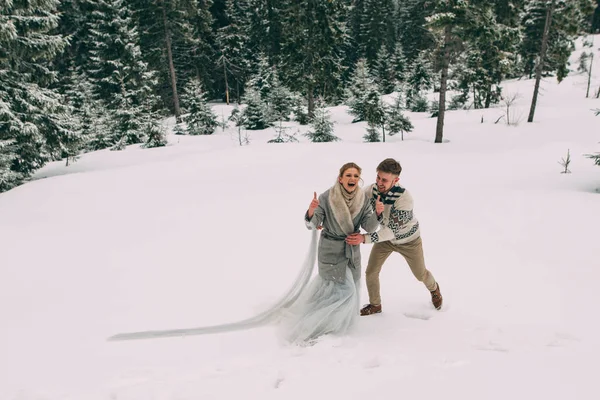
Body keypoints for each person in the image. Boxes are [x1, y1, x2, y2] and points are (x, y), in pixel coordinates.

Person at [280, 162, 380, 344]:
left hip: (352, 251)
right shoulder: (327, 197)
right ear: (340, 178)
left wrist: (378, 214)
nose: (352, 179)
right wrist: (311, 211)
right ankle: (317, 326)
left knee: (339, 290)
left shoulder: (363, 199)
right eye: (348, 175)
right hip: (331, 250)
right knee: (345, 290)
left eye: (356, 176)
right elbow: (313, 223)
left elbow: (369, 226)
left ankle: (337, 324)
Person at [345, 158, 443, 315]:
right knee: (371, 272)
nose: (379, 182)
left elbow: (392, 231)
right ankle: (375, 305)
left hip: (408, 240)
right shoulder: (372, 190)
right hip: (386, 241)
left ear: (396, 179)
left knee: (420, 274)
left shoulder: (405, 199)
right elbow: (354, 201)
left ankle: (434, 288)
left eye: (384, 179)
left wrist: (364, 238)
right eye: (378, 177)